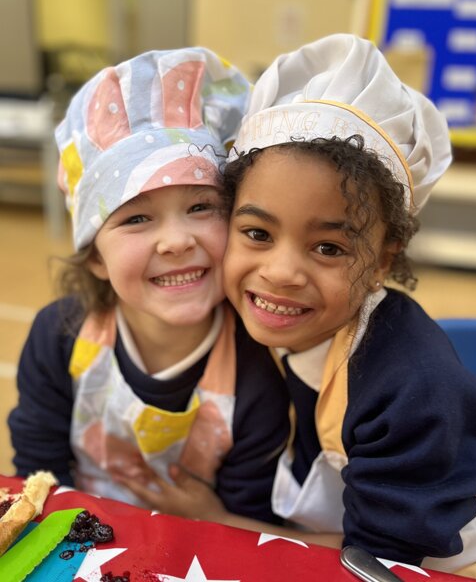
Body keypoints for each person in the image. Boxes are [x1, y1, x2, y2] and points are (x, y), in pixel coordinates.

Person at [119, 35, 476, 578]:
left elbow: (376, 561)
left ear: (384, 260)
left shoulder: (408, 390)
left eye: (329, 247)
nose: (282, 271)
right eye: (257, 233)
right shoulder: (255, 316)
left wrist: (215, 520)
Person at [8, 48, 291, 525]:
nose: (177, 241)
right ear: (96, 256)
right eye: (137, 218)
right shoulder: (59, 336)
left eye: (202, 207)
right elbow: (37, 478)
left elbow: (248, 526)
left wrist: (209, 514)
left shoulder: (258, 366)